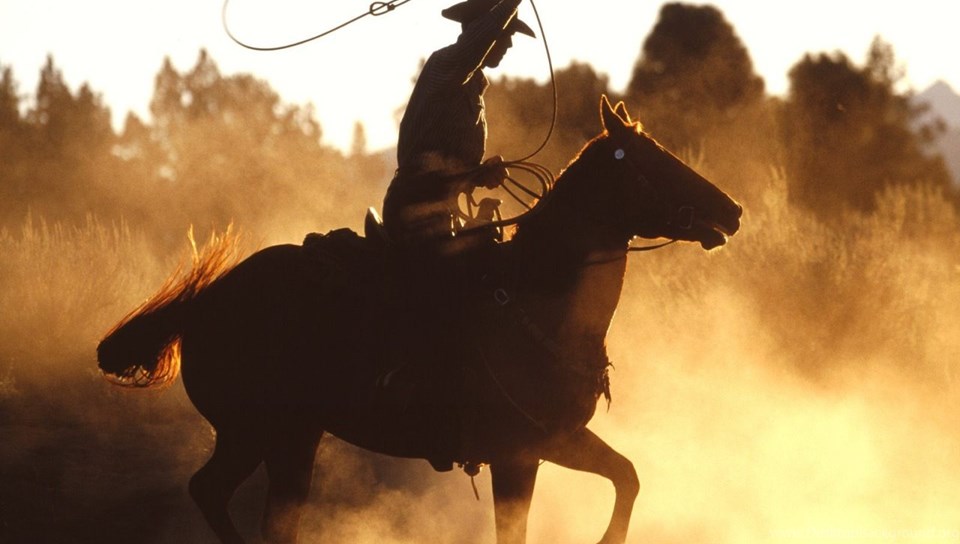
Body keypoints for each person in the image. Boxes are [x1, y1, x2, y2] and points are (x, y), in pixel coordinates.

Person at [382, 0, 535, 256]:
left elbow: (444, 165)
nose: (509, 44)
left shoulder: (471, 84)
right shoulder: (445, 63)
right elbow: (474, 46)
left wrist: (479, 174)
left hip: (438, 211)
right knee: (458, 274)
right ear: (481, 31)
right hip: (414, 210)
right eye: (505, 33)